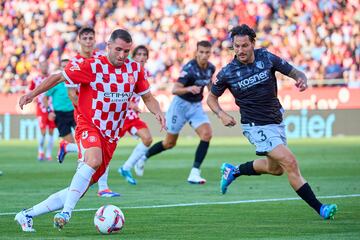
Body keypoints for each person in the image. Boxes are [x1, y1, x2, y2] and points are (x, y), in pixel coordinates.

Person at [16, 29, 165, 232]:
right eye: (118, 49)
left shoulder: (135, 70)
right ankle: (66, 213)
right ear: (109, 45)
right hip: (89, 124)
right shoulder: (93, 66)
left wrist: (157, 112)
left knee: (77, 190)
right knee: (92, 160)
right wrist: (32, 94)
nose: (122, 55)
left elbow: (148, 97)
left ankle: (27, 215)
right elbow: (59, 77)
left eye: (126, 51)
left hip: (111, 137)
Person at [206, 24, 337, 220]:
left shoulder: (266, 57)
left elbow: (295, 72)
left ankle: (234, 171)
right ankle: (321, 208)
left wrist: (301, 79)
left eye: (244, 45)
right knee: (290, 162)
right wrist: (221, 114)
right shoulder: (228, 72)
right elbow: (211, 99)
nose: (240, 50)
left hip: (276, 120)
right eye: (236, 46)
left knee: (275, 169)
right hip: (255, 125)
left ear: (253, 44)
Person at [135, 41, 215, 184]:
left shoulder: (210, 68)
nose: (204, 55)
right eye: (201, 52)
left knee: (207, 134)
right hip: (180, 106)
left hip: (196, 106)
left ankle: (194, 173)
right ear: (196, 52)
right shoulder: (189, 69)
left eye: (207, 52)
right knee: (169, 143)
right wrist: (189, 89)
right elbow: (175, 89)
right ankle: (144, 157)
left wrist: (214, 95)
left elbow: (210, 85)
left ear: (210, 53)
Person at [58, 27, 120, 197]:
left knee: (102, 149)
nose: (87, 41)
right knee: (93, 153)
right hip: (85, 115)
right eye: (84, 38)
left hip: (103, 114)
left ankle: (98, 186)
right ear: (79, 40)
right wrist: (89, 109)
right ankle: (98, 187)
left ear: (94, 40)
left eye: (90, 38)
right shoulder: (74, 63)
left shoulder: (100, 60)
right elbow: (72, 94)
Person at [118, 45, 153, 185]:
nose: (142, 57)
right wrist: (130, 104)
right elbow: (117, 91)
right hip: (118, 115)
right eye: (138, 54)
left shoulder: (145, 73)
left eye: (144, 55)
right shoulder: (126, 71)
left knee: (147, 138)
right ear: (133, 57)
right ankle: (69, 147)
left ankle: (126, 167)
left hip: (131, 116)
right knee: (102, 146)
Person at [28, 59, 56, 161]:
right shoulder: (35, 79)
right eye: (43, 66)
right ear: (40, 67)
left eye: (46, 66)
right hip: (41, 108)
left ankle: (48, 154)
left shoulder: (52, 78)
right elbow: (30, 91)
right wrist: (32, 98)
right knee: (43, 131)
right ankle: (40, 151)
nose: (45, 68)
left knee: (52, 131)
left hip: (52, 108)